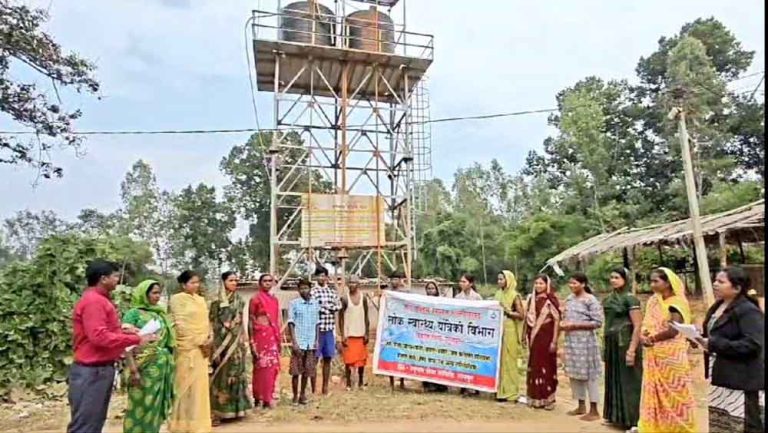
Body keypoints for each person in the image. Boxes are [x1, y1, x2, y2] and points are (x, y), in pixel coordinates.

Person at [67, 260, 155, 433]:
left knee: (93, 422)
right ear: (103, 279)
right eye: (115, 276)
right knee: (86, 425)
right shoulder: (94, 302)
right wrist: (136, 339)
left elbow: (106, 332)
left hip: (97, 371)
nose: (118, 280)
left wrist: (129, 334)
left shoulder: (100, 300)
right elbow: (99, 337)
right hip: (92, 371)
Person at [696, 267, 765, 433]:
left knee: (742, 423)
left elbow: (753, 344)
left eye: (721, 281)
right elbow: (715, 334)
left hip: (740, 378)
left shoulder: (748, 311)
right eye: (715, 280)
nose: (715, 284)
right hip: (721, 374)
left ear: (737, 288)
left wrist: (713, 344)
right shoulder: (718, 306)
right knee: (722, 422)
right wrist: (698, 338)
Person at [637, 268, 697, 433]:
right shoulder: (653, 301)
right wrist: (643, 335)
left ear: (668, 283)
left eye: (656, 281)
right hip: (653, 352)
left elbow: (673, 330)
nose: (652, 285)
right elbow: (647, 323)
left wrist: (652, 339)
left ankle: (679, 428)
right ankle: (657, 427)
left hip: (672, 356)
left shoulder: (676, 303)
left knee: (676, 393)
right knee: (655, 392)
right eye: (651, 281)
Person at [123, 280, 176, 433]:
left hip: (161, 367)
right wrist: (133, 370)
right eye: (154, 293)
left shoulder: (160, 314)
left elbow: (167, 341)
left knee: (155, 406)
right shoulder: (133, 314)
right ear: (144, 294)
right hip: (142, 367)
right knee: (139, 405)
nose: (157, 296)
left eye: (159, 293)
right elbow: (126, 344)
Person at [168, 270, 213, 433]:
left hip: (202, 350)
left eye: (197, 282)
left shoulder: (201, 300)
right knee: (184, 386)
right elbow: (180, 324)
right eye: (192, 282)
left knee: (199, 388)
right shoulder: (176, 300)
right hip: (187, 349)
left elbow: (206, 322)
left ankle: (199, 425)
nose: (196, 285)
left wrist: (208, 339)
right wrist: (198, 341)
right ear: (183, 284)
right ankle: (181, 424)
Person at [602, 268, 643, 431]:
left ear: (625, 279)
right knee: (613, 378)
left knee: (630, 381)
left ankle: (634, 419)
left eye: (617, 277)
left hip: (626, 342)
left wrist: (632, 349)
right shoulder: (608, 299)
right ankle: (615, 416)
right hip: (612, 343)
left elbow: (638, 324)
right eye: (611, 277)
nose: (613, 280)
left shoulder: (630, 299)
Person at [209, 272, 252, 424]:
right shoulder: (216, 301)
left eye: (236, 280)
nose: (234, 283)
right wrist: (215, 345)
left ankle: (236, 410)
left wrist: (245, 339)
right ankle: (217, 412)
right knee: (221, 375)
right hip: (221, 343)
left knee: (236, 373)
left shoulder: (239, 300)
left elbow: (241, 321)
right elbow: (212, 322)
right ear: (223, 282)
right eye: (231, 280)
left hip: (236, 343)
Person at [562, 272, 603, 422]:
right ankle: (580, 405)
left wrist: (576, 325)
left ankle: (594, 409)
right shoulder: (569, 299)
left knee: (589, 375)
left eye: (575, 283)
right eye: (570, 283)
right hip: (571, 342)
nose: (572, 286)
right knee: (574, 373)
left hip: (586, 343)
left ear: (583, 284)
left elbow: (598, 322)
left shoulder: (590, 300)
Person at [524, 274, 560, 410]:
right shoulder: (531, 300)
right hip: (534, 338)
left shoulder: (551, 300)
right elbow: (527, 320)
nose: (538, 286)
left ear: (547, 285)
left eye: (541, 283)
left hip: (547, 338)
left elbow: (557, 321)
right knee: (535, 366)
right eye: (536, 283)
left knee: (547, 366)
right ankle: (535, 398)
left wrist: (555, 341)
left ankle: (548, 399)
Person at [249, 273, 281, 409]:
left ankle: (268, 398)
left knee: (272, 368)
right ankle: (258, 398)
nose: (268, 283)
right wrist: (251, 342)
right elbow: (250, 321)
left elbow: (276, 319)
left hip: (272, 336)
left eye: (270, 281)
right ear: (260, 283)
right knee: (260, 367)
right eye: (265, 281)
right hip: (260, 337)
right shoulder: (255, 299)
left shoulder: (274, 300)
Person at [287, 278, 321, 405]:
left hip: (310, 342)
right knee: (296, 372)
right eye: (301, 288)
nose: (304, 290)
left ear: (310, 289)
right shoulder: (294, 304)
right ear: (298, 290)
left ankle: (302, 395)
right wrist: (294, 342)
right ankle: (295, 396)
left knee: (307, 371)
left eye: (306, 288)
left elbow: (317, 323)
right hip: (299, 341)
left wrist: (317, 340)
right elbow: (291, 323)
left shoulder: (315, 304)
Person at [310, 265, 342, 395]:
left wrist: (325, 306)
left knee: (328, 358)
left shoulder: (331, 292)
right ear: (316, 277)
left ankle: (325, 388)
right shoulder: (313, 292)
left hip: (329, 329)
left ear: (327, 277)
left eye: (324, 275)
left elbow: (338, 306)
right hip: (317, 330)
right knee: (314, 359)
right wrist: (328, 307)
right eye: (319, 275)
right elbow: (314, 307)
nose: (322, 278)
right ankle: (313, 388)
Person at [495, 270, 526, 403]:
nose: (499, 282)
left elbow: (521, 315)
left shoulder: (514, 295)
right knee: (500, 361)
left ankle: (511, 392)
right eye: (498, 279)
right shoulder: (497, 294)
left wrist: (507, 311)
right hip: (498, 330)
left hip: (510, 331)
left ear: (509, 280)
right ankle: (500, 391)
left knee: (510, 361)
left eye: (502, 279)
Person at [339, 277, 370, 390]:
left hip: (360, 333)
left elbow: (366, 316)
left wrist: (367, 332)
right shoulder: (345, 299)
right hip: (349, 334)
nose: (352, 285)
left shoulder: (364, 298)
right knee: (348, 360)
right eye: (350, 282)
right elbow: (341, 318)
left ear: (358, 284)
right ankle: (348, 383)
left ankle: (361, 382)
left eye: (354, 282)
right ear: (347, 284)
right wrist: (342, 334)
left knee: (361, 360)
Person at [421, 280, 449, 393]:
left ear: (436, 290)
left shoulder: (442, 302)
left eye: (432, 288)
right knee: (427, 359)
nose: (430, 291)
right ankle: (428, 384)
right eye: (428, 289)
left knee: (439, 360)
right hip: (427, 335)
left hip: (439, 335)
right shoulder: (422, 302)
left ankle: (441, 385)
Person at [387, 271, 408, 390]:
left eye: (396, 279)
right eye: (392, 279)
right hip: (390, 326)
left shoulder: (406, 292)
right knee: (391, 353)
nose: (394, 281)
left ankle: (402, 381)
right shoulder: (387, 293)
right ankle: (391, 380)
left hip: (402, 326)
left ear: (400, 280)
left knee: (402, 354)